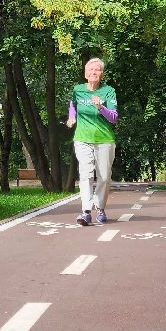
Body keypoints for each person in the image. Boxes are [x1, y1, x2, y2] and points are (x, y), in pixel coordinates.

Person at [66, 56, 117, 226]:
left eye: (97, 70)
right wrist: (72, 117)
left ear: (102, 73)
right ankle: (86, 211)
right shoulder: (78, 90)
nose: (93, 72)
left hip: (104, 139)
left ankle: (100, 208)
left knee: (104, 177)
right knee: (86, 174)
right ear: (85, 73)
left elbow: (114, 118)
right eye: (90, 70)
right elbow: (73, 105)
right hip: (82, 138)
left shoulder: (108, 91)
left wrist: (101, 107)